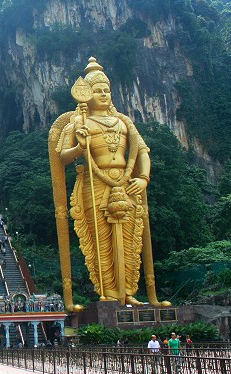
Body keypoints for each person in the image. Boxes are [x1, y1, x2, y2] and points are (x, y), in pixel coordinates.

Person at [54, 57, 169, 307]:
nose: (104, 94)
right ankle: (107, 293)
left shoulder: (124, 122)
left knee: (130, 239)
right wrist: (80, 147)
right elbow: (61, 156)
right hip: (94, 183)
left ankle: (129, 292)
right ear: (87, 95)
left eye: (106, 90)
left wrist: (143, 178)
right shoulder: (79, 123)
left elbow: (142, 151)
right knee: (101, 241)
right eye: (98, 90)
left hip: (126, 183)